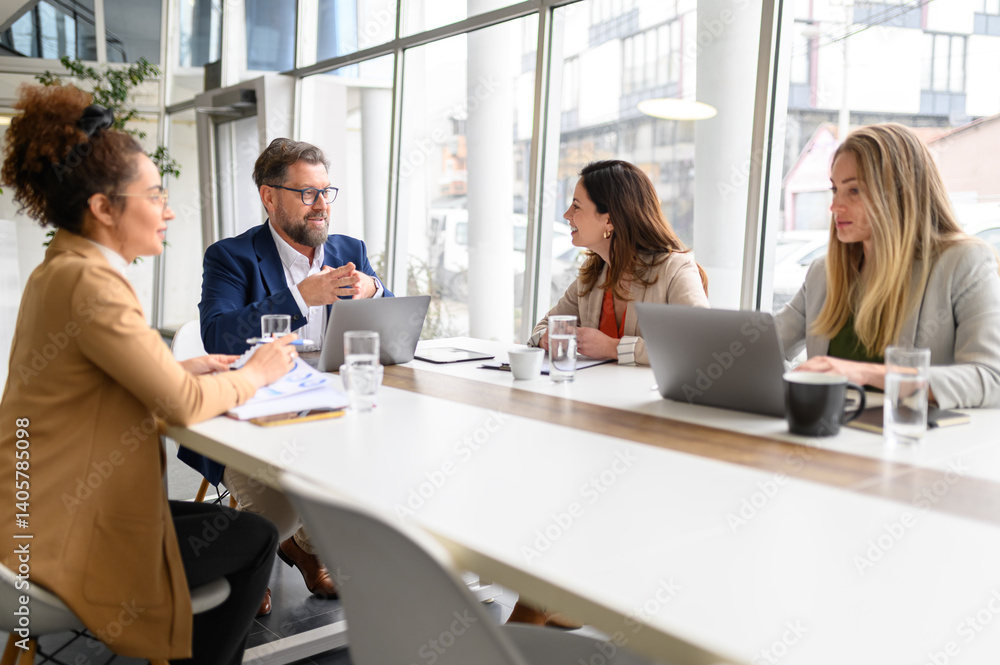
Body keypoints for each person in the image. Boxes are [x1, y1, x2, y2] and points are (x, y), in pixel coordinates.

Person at [0, 83, 296, 664]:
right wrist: (258, 372)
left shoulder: (62, 265)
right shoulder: (92, 281)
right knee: (256, 537)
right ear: (105, 208)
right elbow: (183, 406)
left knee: (225, 526)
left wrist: (176, 366)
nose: (169, 210)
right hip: (62, 537)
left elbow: (91, 379)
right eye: (155, 193)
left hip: (37, 514)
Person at [187, 138, 392, 615]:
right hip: (257, 412)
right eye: (306, 193)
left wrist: (374, 289)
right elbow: (218, 334)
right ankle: (266, 550)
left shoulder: (350, 250)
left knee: (377, 484)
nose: (321, 206)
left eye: (326, 192)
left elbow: (391, 317)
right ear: (269, 196)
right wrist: (302, 297)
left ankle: (306, 545)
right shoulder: (231, 256)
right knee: (277, 516)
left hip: (334, 407)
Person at [776, 123, 1000, 409]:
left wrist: (866, 373)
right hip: (833, 438)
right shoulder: (825, 273)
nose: (835, 207)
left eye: (854, 190)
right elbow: (764, 349)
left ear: (899, 193)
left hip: (915, 445)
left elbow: (991, 378)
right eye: (835, 190)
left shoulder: (964, 262)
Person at [528, 159, 710, 366]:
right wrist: (546, 339)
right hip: (594, 395)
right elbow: (543, 327)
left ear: (610, 220)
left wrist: (611, 347)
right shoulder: (593, 275)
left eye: (576, 206)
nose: (566, 215)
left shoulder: (675, 269)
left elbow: (700, 344)